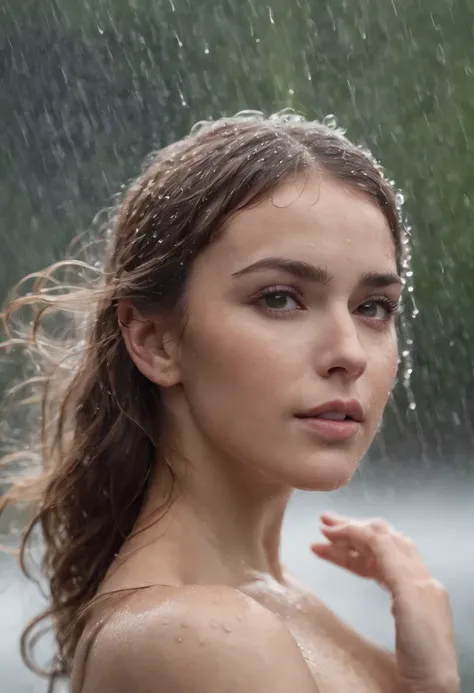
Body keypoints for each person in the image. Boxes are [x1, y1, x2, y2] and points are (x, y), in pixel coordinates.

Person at [0, 111, 459, 693]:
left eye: (373, 307)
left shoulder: (274, 606)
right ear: (155, 342)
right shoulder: (207, 635)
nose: (350, 353)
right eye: (280, 299)